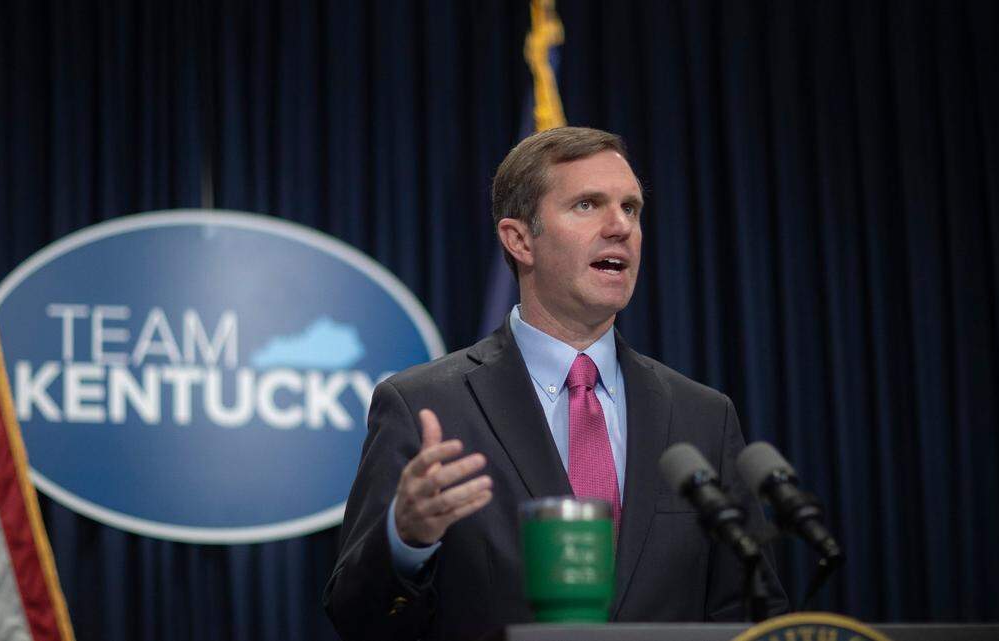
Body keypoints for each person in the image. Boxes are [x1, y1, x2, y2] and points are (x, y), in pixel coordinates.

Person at [324, 127, 786, 640]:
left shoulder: (703, 415)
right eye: (588, 205)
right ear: (520, 239)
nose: (620, 227)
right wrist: (405, 540)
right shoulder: (426, 405)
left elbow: (749, 613)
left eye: (631, 208)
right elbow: (357, 619)